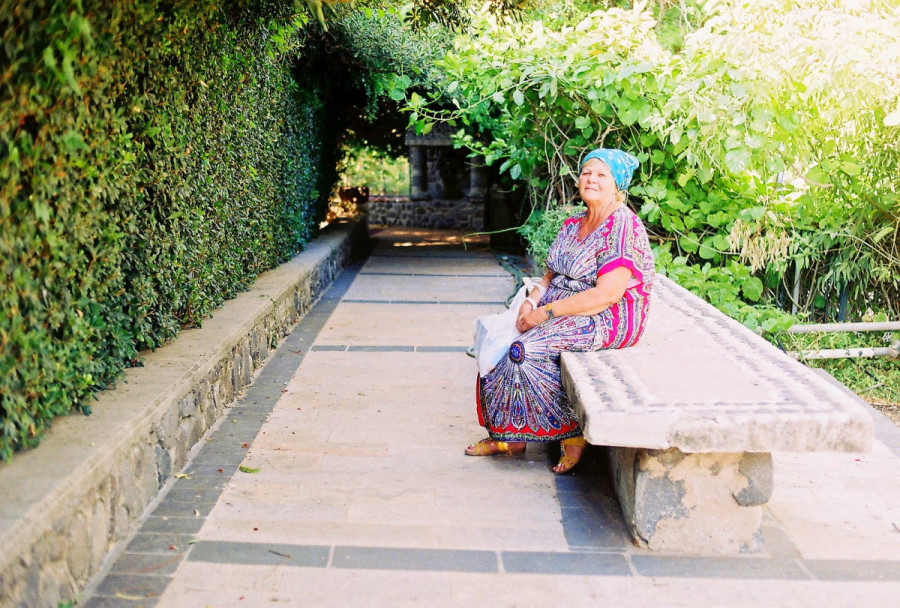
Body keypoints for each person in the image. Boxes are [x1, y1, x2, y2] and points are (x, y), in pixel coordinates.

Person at [465, 148, 655, 474]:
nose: (591, 179)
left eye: (601, 175)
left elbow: (607, 295)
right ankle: (508, 435)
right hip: (559, 305)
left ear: (617, 185)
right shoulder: (573, 224)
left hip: (605, 317)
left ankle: (571, 435)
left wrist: (546, 313)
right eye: (586, 173)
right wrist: (531, 301)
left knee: (523, 350)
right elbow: (550, 275)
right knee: (494, 340)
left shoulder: (621, 227)